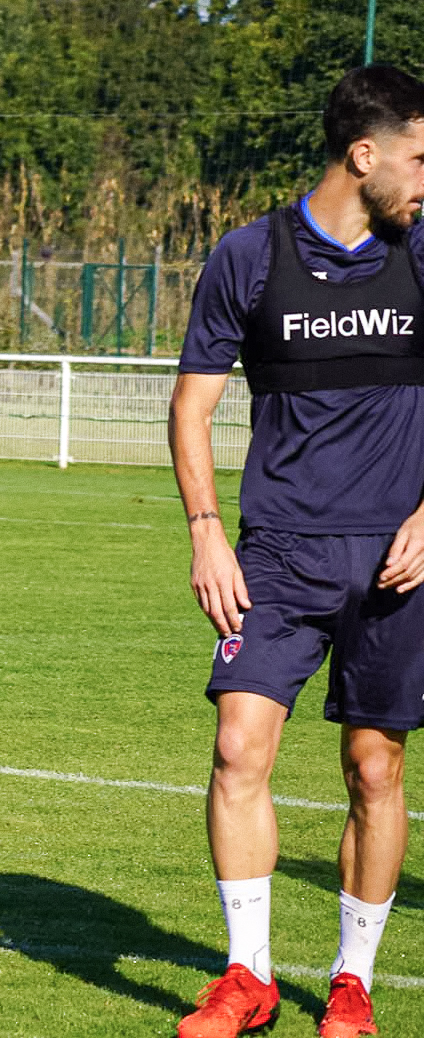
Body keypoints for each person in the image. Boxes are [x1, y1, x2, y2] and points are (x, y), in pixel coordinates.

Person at [169, 64, 424, 1038]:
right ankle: (247, 979)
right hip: (273, 554)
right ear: (362, 156)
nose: (423, 179)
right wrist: (203, 534)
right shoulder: (248, 257)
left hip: (394, 564)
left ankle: (351, 985)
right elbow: (192, 407)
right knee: (237, 748)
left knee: (373, 769)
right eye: (415, 158)